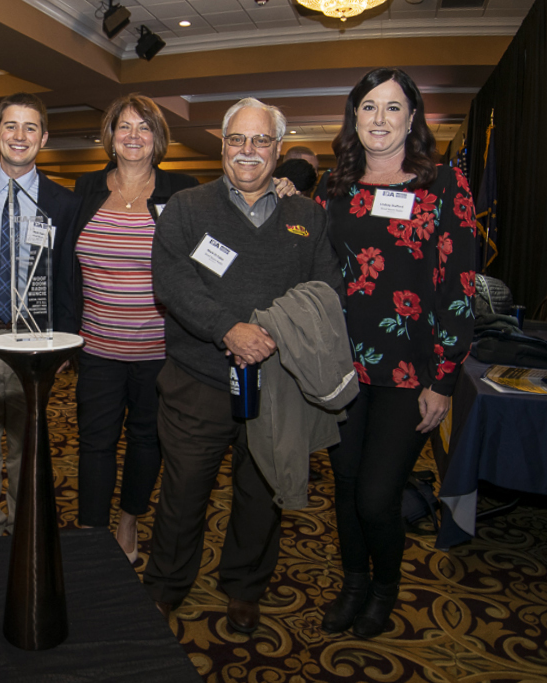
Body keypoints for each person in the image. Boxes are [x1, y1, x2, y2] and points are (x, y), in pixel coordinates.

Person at [144, 97, 343, 633]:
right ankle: (165, 586)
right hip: (199, 381)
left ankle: (244, 586)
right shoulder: (188, 207)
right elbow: (172, 281)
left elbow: (326, 290)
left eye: (260, 141)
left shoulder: (307, 215)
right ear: (223, 147)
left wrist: (273, 333)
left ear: (278, 150)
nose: (248, 152)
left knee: (261, 493)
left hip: (276, 385)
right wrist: (228, 329)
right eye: (237, 140)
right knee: (183, 494)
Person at [315, 68, 476, 639]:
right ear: (353, 117)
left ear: (413, 118)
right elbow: (311, 266)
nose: (378, 119)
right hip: (341, 368)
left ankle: (385, 588)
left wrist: (446, 379)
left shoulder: (444, 185)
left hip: (411, 372)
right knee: (345, 485)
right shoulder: (333, 186)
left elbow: (458, 285)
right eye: (367, 107)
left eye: (392, 108)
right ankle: (353, 583)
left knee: (377, 495)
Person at [62, 94, 197, 562]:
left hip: (160, 352)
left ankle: (128, 521)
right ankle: (91, 528)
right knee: (93, 442)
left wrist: (279, 186)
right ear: (111, 136)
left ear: (157, 137)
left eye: (144, 127)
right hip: (96, 347)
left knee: (146, 439)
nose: (133, 136)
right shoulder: (85, 189)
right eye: (124, 127)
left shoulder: (181, 192)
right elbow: (63, 264)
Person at [0, 92, 81, 538]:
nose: (19, 136)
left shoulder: (63, 203)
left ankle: (26, 525)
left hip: (35, 342)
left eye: (31, 128)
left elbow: (69, 275)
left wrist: (65, 340)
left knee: (28, 444)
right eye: (11, 126)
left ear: (44, 138)